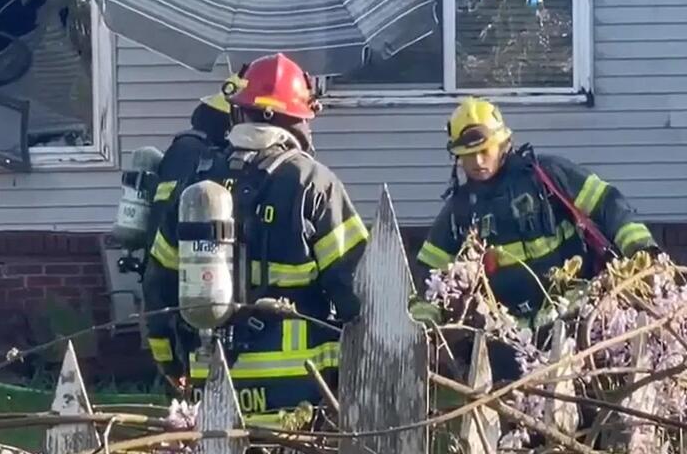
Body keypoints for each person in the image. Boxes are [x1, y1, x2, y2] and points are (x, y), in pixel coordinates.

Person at [144, 53, 369, 418]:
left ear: (239, 113)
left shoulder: (198, 185)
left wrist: (170, 362)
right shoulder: (312, 182)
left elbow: (158, 284)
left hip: (215, 377)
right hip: (299, 387)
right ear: (298, 118)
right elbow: (357, 284)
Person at [416, 96, 659, 324]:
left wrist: (640, 249)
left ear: (504, 145)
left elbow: (607, 203)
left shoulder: (546, 176)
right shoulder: (459, 212)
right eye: (468, 155)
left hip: (581, 314)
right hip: (511, 337)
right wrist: (424, 325)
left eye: (484, 151)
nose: (478, 162)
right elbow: (430, 275)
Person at [141, 74, 244, 388]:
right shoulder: (214, 167)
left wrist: (166, 357)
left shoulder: (178, 153)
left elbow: (156, 279)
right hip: (208, 299)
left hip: (170, 293)